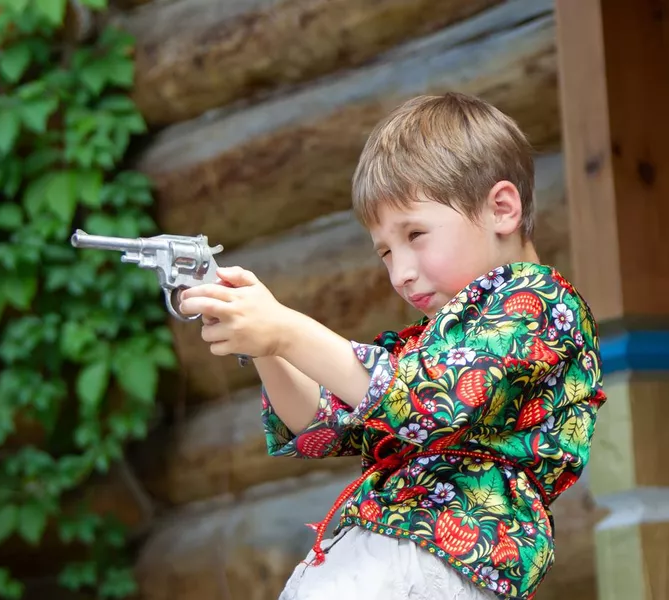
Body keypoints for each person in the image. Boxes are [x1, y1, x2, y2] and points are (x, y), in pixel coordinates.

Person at [178, 92, 606, 600]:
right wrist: (268, 347)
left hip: (441, 558)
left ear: (501, 208)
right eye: (385, 250)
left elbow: (425, 401)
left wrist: (287, 329)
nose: (400, 272)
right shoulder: (426, 346)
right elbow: (318, 429)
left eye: (416, 234)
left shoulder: (537, 301)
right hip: (391, 559)